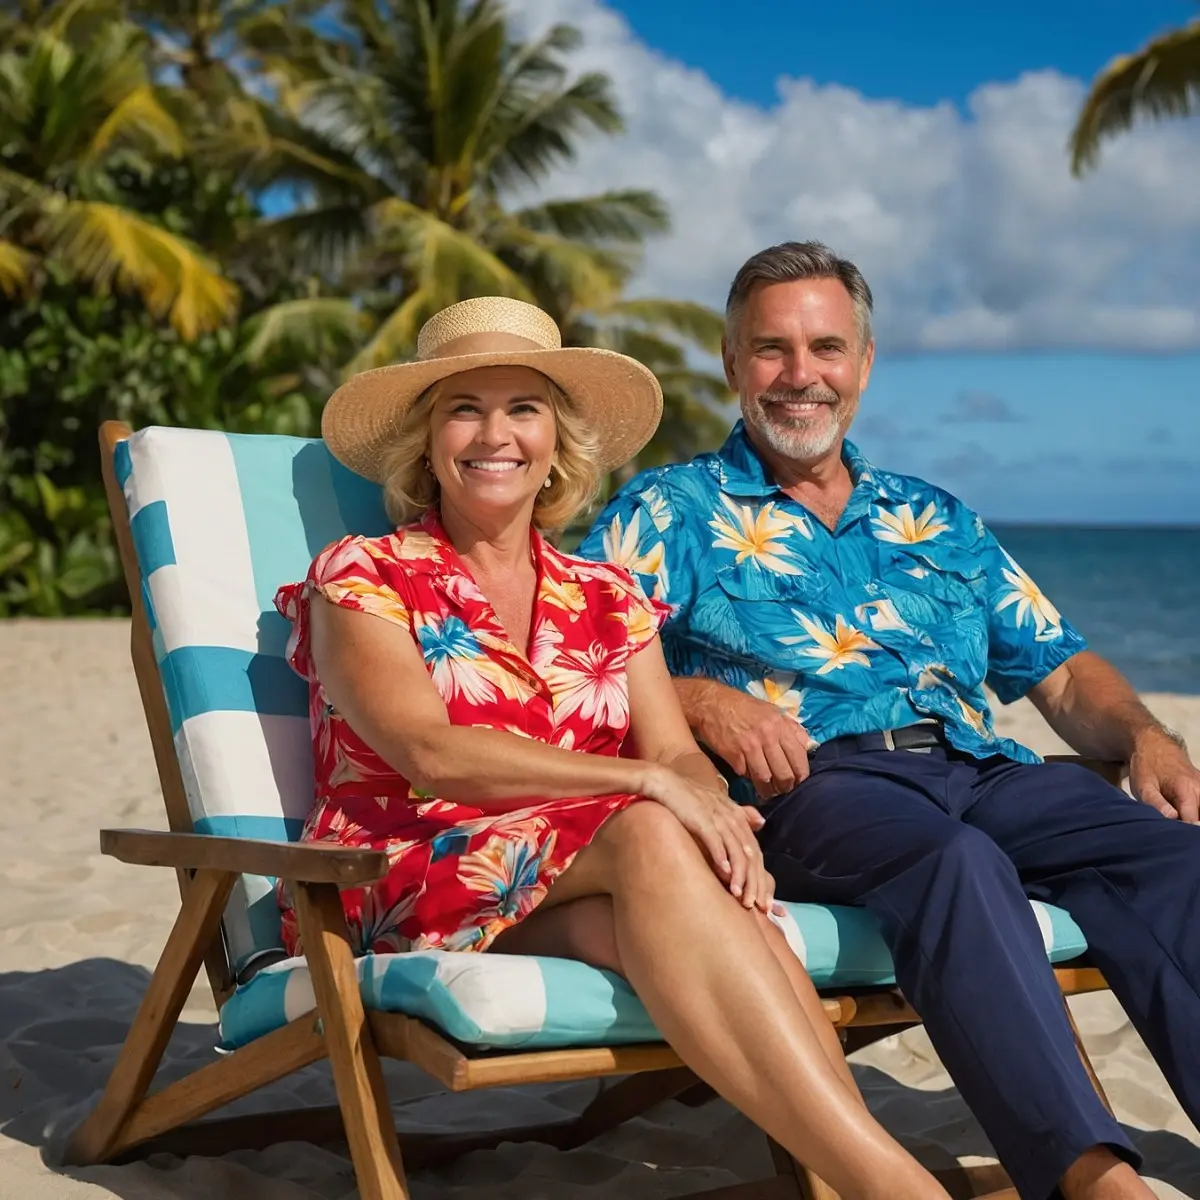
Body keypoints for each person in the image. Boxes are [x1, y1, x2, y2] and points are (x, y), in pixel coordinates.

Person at [272, 295, 953, 1200]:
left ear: (557, 440)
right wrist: (646, 785)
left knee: (703, 891)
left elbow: (675, 754)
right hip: (397, 876)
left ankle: (859, 1178)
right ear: (426, 441)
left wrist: (706, 803)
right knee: (649, 833)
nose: (494, 434)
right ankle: (894, 1187)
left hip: (562, 887)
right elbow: (431, 753)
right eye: (464, 409)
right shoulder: (364, 575)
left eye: (524, 409)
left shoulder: (606, 595)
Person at [578, 240, 1200, 1200]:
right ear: (731, 361)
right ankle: (1092, 1177)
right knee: (957, 866)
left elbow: (1063, 674)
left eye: (826, 348)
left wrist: (1149, 736)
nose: (801, 376)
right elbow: (575, 666)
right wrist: (701, 700)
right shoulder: (669, 509)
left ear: (862, 364)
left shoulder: (935, 515)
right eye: (772, 349)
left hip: (985, 770)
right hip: (817, 788)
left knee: (1171, 853)